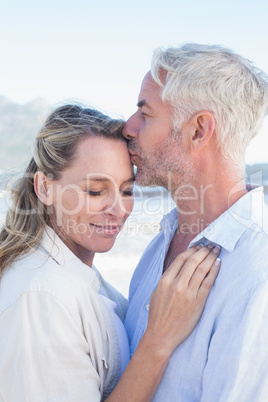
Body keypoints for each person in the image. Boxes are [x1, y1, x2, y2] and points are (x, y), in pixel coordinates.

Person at [0, 104, 221, 401]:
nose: (118, 210)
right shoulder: (43, 296)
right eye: (95, 190)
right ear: (44, 187)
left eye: (127, 190)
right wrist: (158, 340)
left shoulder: (80, 276)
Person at [123, 43, 268, 401]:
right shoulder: (161, 244)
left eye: (145, 113)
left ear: (199, 131)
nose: (127, 127)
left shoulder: (256, 275)